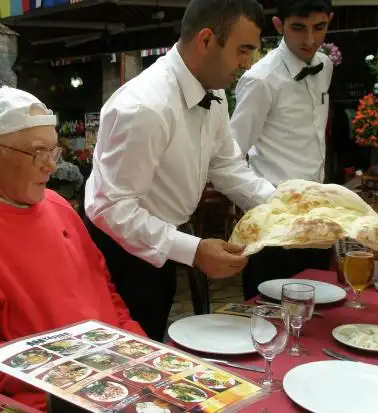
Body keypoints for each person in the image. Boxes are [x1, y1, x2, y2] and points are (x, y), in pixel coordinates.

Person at [0, 86, 145, 411]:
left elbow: (104, 291)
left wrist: (139, 347)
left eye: (54, 152)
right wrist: (77, 384)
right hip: (52, 399)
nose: (51, 167)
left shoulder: (57, 205)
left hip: (122, 377)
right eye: (38, 153)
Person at [84, 0, 275, 342]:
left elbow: (227, 165)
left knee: (153, 338)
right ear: (205, 40)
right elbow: (109, 208)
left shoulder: (213, 90)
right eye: (243, 50)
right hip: (118, 253)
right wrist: (194, 250)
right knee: (126, 352)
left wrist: (284, 206)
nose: (248, 64)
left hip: (165, 236)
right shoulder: (145, 107)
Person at [230, 0, 334, 300]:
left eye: (319, 27)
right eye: (299, 28)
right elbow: (231, 154)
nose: (310, 40)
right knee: (269, 318)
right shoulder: (260, 79)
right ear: (279, 25)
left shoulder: (325, 65)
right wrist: (270, 203)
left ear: (329, 20)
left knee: (317, 312)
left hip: (316, 218)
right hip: (273, 221)